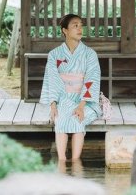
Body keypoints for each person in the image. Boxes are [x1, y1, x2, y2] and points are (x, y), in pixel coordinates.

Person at [40, 14, 101, 161]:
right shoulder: (54, 54)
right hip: (64, 99)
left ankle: (75, 162)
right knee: (60, 121)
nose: (80, 29)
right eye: (75, 25)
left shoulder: (90, 54)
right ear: (65, 30)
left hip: (86, 101)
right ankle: (61, 161)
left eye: (81, 25)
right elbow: (52, 80)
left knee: (77, 120)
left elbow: (91, 79)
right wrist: (53, 105)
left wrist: (81, 106)